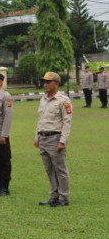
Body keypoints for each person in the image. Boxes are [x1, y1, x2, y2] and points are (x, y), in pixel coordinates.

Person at [36, 71, 72, 207]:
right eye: (44, 82)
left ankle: (63, 197)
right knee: (49, 169)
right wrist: (37, 136)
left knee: (60, 169)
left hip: (55, 137)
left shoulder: (63, 100)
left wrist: (63, 141)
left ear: (56, 83)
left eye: (48, 82)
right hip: (43, 137)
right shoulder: (43, 99)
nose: (45, 84)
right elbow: (41, 119)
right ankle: (54, 195)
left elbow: (67, 122)